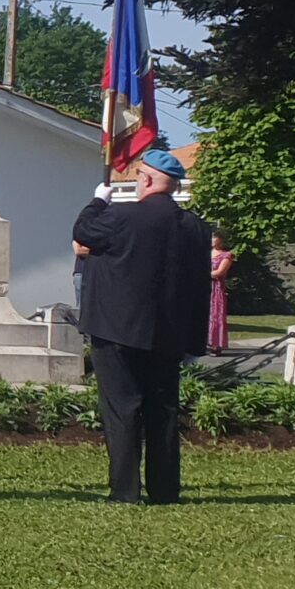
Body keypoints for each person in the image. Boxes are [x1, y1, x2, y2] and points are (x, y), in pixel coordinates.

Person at [74, 148, 211, 505]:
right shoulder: (196, 228)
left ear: (147, 179)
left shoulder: (121, 216)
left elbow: (84, 231)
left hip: (117, 329)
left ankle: (126, 490)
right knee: (163, 411)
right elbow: (200, 286)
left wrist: (96, 202)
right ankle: (165, 490)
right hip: (169, 334)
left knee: (122, 410)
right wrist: (195, 341)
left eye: (138, 177)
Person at [206, 231, 234, 356]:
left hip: (216, 288)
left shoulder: (226, 255)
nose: (212, 240)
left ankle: (215, 344)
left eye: (214, 238)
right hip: (203, 287)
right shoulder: (205, 254)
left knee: (216, 315)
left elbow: (220, 272)